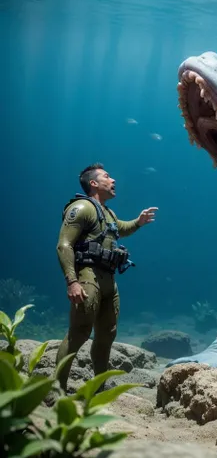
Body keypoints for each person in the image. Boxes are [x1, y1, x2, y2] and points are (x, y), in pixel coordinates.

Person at [55, 163, 158, 392]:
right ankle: (56, 388)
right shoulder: (82, 208)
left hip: (109, 281)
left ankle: (98, 387)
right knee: (79, 333)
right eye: (107, 177)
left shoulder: (108, 214)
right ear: (93, 183)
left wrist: (138, 222)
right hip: (87, 277)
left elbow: (122, 228)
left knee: (107, 335)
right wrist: (72, 281)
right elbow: (64, 245)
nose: (113, 181)